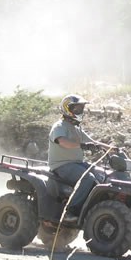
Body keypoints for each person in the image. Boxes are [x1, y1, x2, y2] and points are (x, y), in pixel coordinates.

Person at [47, 94, 112, 223]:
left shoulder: (76, 128)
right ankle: (69, 211)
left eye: (81, 108)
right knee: (87, 178)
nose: (80, 111)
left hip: (77, 164)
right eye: (77, 109)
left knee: (103, 176)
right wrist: (82, 145)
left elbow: (93, 142)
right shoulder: (60, 126)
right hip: (62, 165)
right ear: (68, 109)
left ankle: (92, 210)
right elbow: (62, 142)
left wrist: (112, 148)